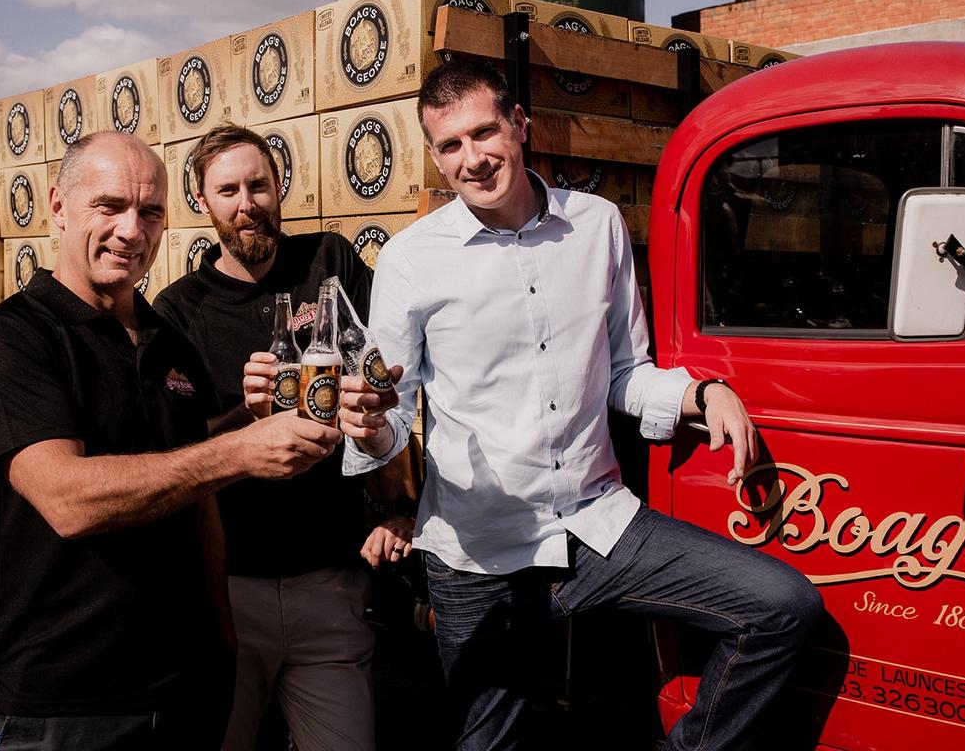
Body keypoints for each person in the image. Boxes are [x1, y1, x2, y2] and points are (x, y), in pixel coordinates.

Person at [339, 60, 824, 751]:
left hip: (599, 526)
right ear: (434, 155)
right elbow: (392, 409)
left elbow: (625, 371)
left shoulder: (595, 226)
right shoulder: (412, 259)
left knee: (781, 608)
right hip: (478, 549)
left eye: (484, 133)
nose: (472, 159)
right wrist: (367, 428)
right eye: (449, 145)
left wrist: (698, 392)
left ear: (519, 125)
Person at [0, 131, 341, 751]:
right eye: (108, 206)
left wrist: (223, 643)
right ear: (58, 206)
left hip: (180, 695)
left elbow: (198, 498)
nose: (131, 231)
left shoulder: (169, 343)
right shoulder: (14, 340)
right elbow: (69, 499)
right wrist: (239, 452)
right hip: (58, 709)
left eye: (151, 212)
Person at [154, 124, 407, 751]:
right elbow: (169, 460)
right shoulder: (177, 310)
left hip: (331, 581)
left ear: (278, 187)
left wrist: (398, 501)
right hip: (230, 589)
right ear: (203, 202)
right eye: (229, 190)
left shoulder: (330, 260)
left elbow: (383, 393)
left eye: (258, 185)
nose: (247, 203)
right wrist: (246, 413)